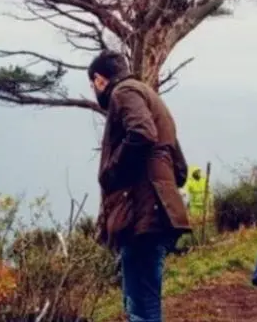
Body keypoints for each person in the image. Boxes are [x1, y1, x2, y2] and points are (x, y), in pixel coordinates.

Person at [90, 50, 191, 322]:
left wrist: (111, 173)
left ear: (100, 80)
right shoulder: (150, 96)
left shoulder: (123, 93)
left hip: (140, 216)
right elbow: (179, 168)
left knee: (139, 305)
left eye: (93, 85)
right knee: (147, 299)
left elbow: (142, 133)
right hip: (158, 212)